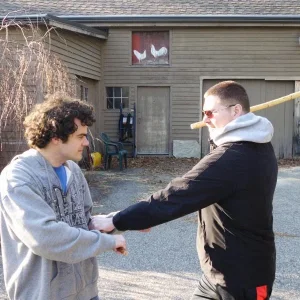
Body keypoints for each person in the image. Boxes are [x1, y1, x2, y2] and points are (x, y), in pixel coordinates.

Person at [90, 81, 278, 300]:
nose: (205, 119)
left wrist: (117, 220)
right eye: (203, 112)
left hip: (242, 280)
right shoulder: (255, 145)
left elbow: (178, 194)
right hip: (217, 274)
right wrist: (141, 217)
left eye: (210, 112)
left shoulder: (234, 157)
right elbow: (197, 193)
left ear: (235, 111)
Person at [0, 94, 127, 300]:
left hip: (86, 293)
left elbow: (83, 223)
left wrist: (126, 219)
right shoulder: (18, 178)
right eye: (80, 136)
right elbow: (45, 237)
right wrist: (106, 242)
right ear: (56, 137)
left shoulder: (73, 171)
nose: (87, 143)